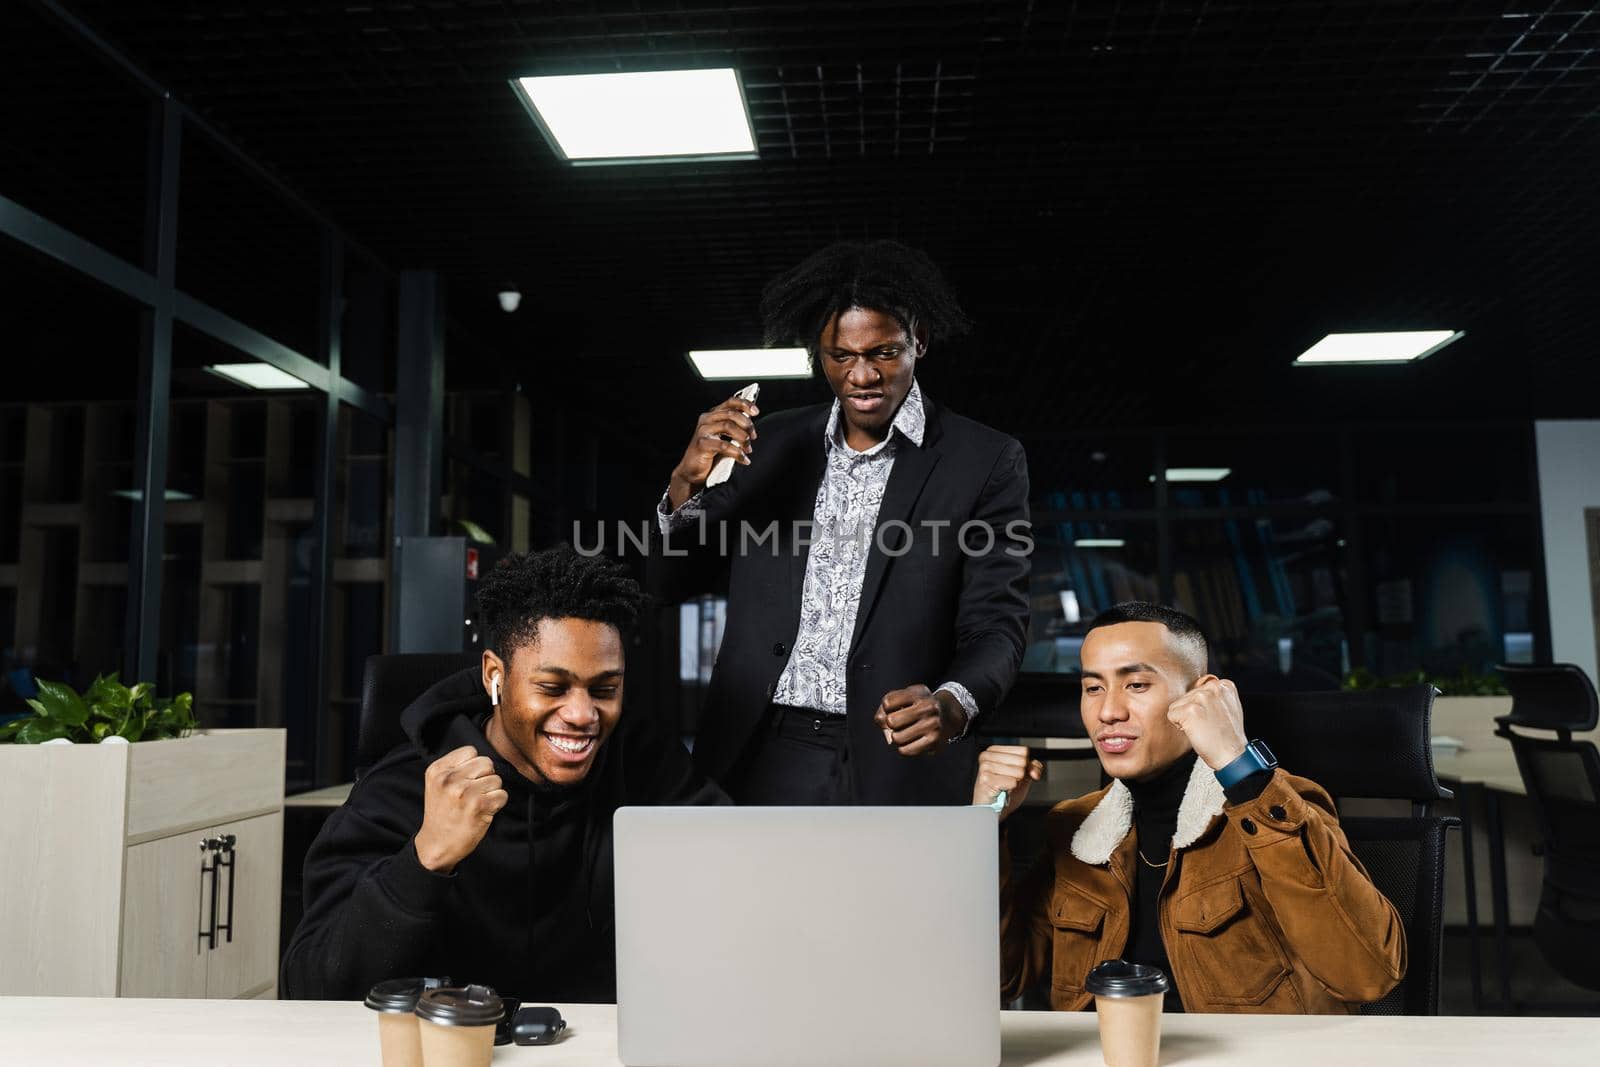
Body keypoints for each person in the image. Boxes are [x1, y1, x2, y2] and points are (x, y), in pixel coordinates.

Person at [653, 240, 1031, 805]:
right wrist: (685, 485)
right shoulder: (768, 444)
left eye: (883, 352)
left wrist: (951, 703)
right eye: (840, 356)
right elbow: (669, 584)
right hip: (758, 747)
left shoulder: (985, 461)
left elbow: (997, 624)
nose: (861, 376)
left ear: (918, 341)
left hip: (897, 759)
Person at [281, 546, 726, 1002]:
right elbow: (311, 988)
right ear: (495, 675)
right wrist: (425, 858)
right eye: (552, 688)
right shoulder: (403, 788)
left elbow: (740, 880)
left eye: (604, 689)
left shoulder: (646, 765)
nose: (582, 714)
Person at [975, 602, 1405, 1013]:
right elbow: (999, 982)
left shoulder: (1277, 806)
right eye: (1092, 688)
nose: (1108, 711)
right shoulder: (1073, 829)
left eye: (1137, 685)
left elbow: (1368, 975)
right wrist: (983, 828)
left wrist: (1241, 768)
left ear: (1202, 696)